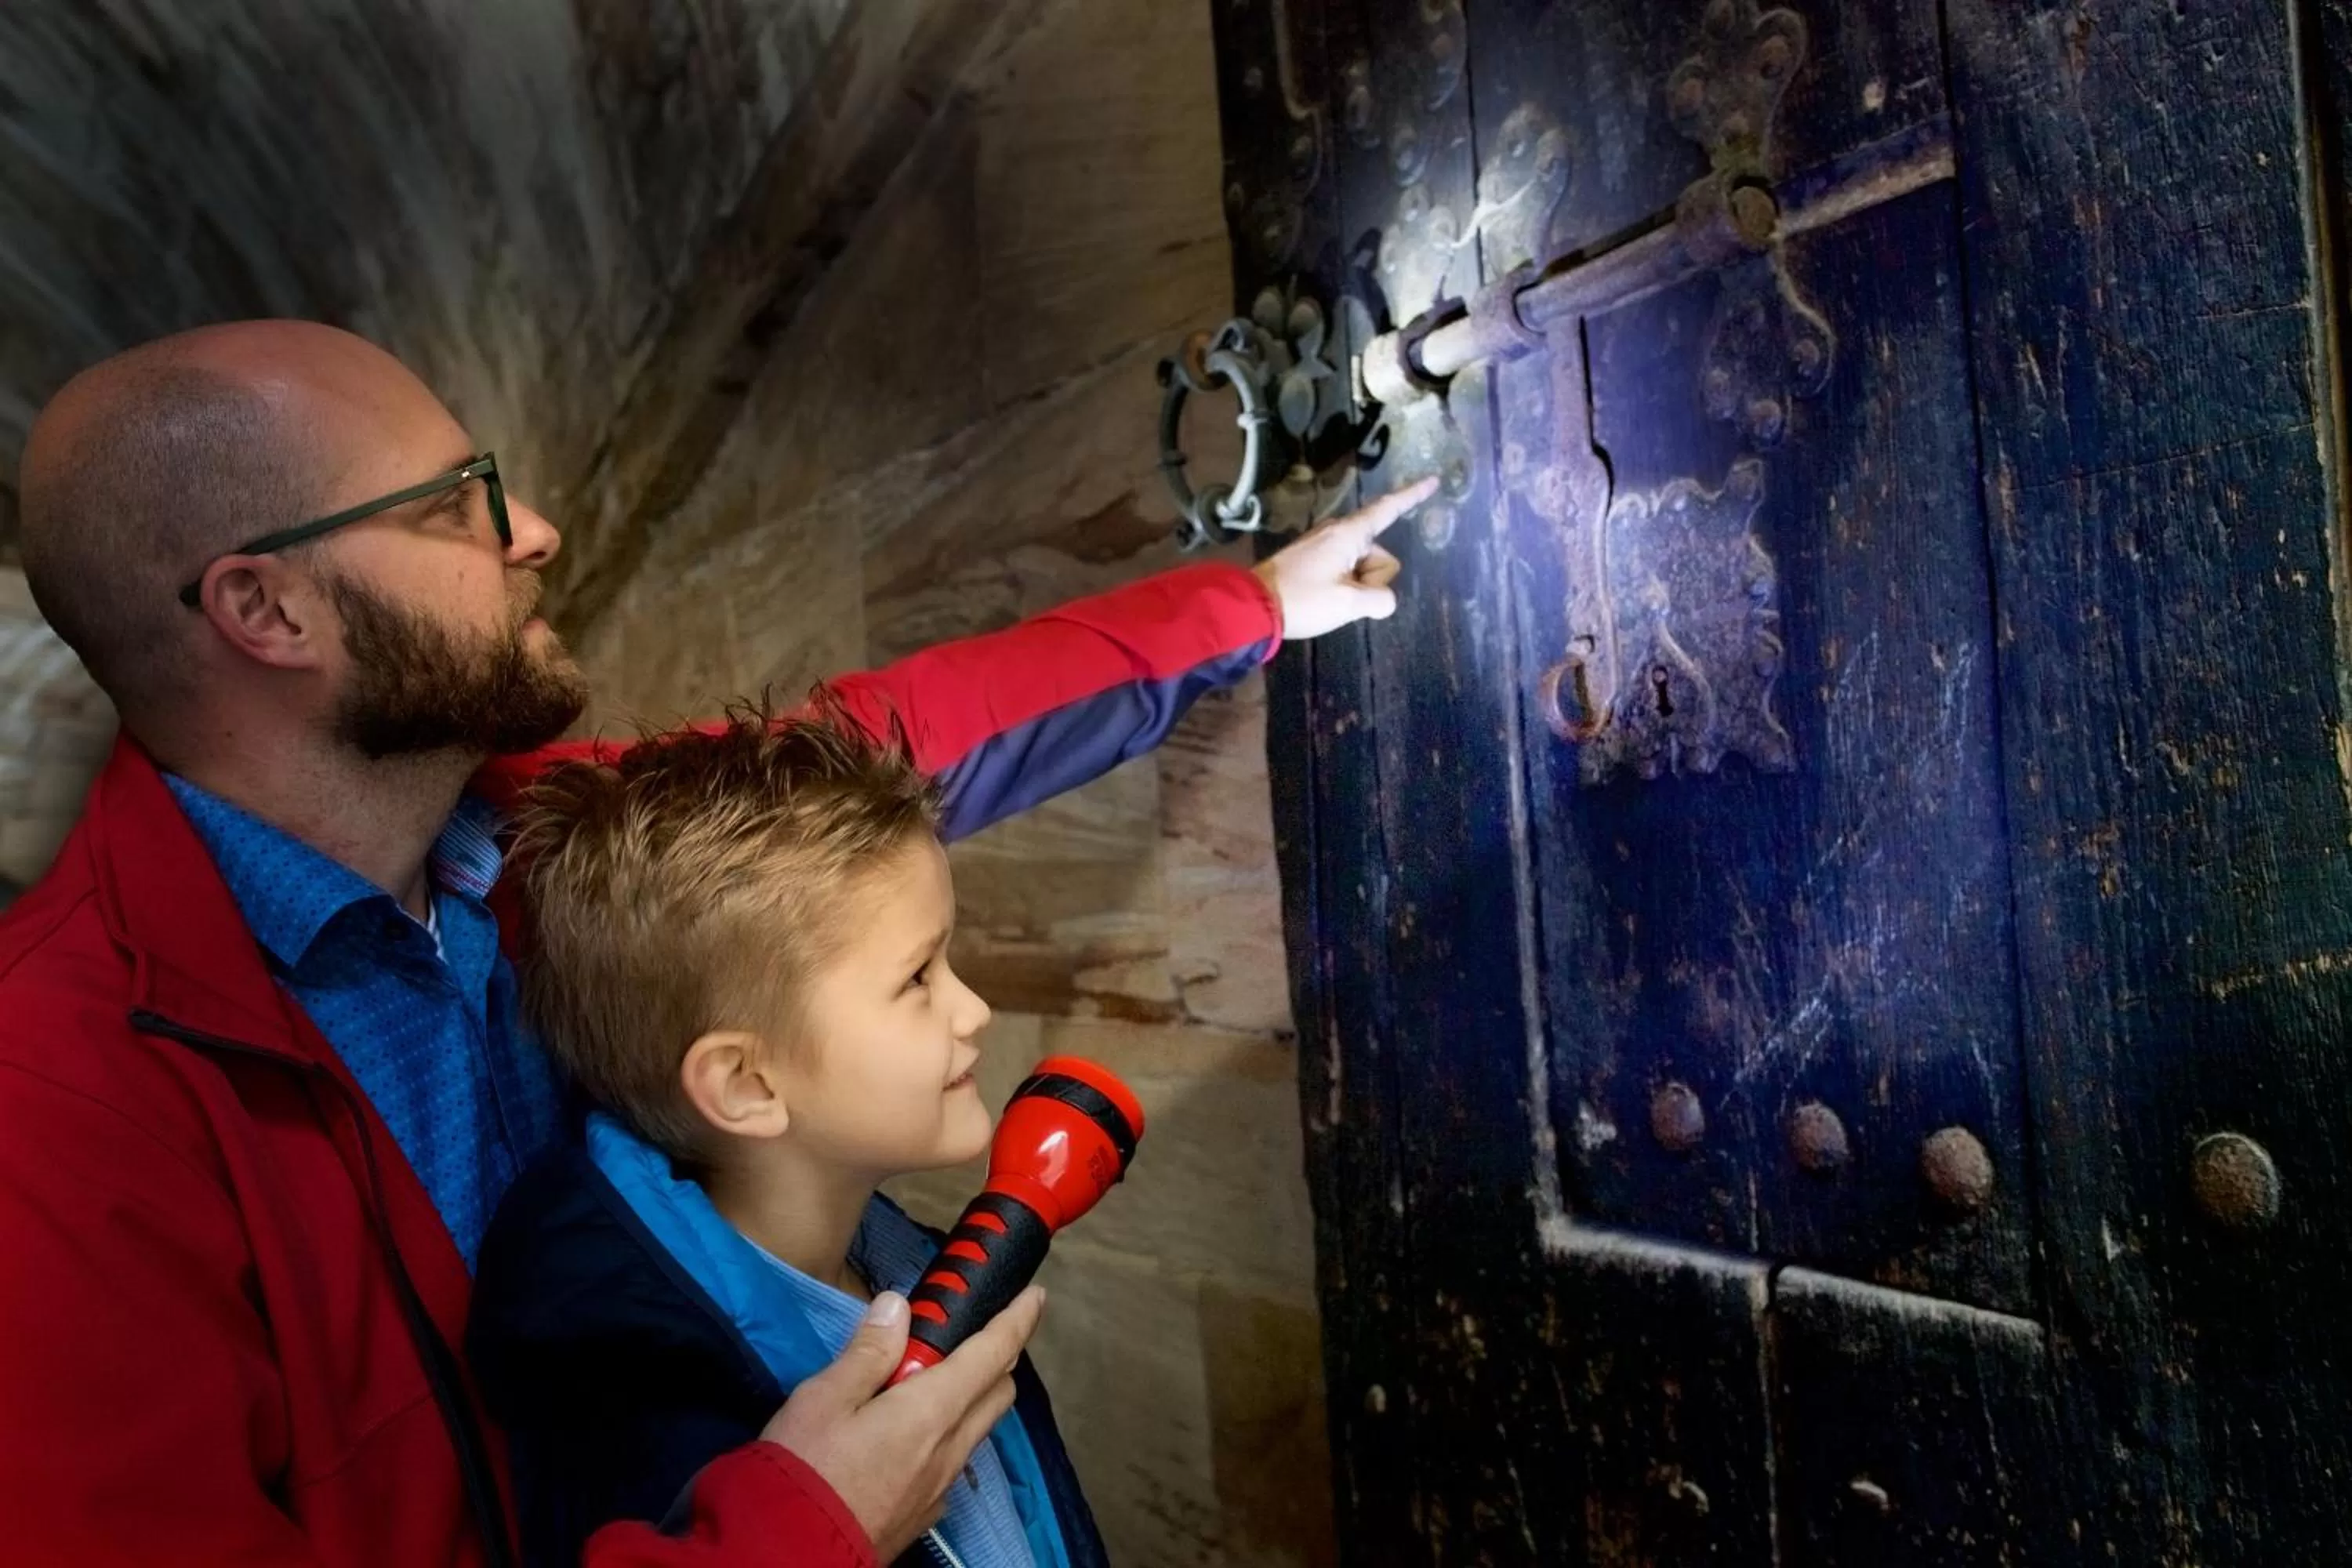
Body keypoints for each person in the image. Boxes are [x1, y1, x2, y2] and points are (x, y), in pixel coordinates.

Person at [0, 318, 1431, 1567]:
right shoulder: (54, 1107)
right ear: (266, 607)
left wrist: (1244, 609)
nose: (534, 530)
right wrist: (807, 1529)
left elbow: (890, 739)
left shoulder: (522, 841)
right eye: (457, 504)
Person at [469, 702, 1100, 1568]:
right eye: (918, 977)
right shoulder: (652, 1408)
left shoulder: (908, 1261)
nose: (974, 1009)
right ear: (747, 1083)